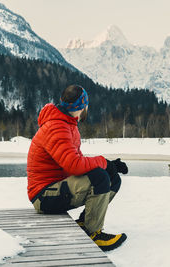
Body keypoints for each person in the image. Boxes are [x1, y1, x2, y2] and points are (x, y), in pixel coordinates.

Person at [26, 84, 128, 251]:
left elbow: (74, 161)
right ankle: (93, 233)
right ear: (82, 106)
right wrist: (104, 163)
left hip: (55, 188)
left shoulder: (66, 123)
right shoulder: (56, 126)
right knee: (100, 177)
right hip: (43, 196)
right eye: (86, 106)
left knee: (111, 177)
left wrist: (110, 165)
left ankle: (85, 221)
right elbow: (74, 165)